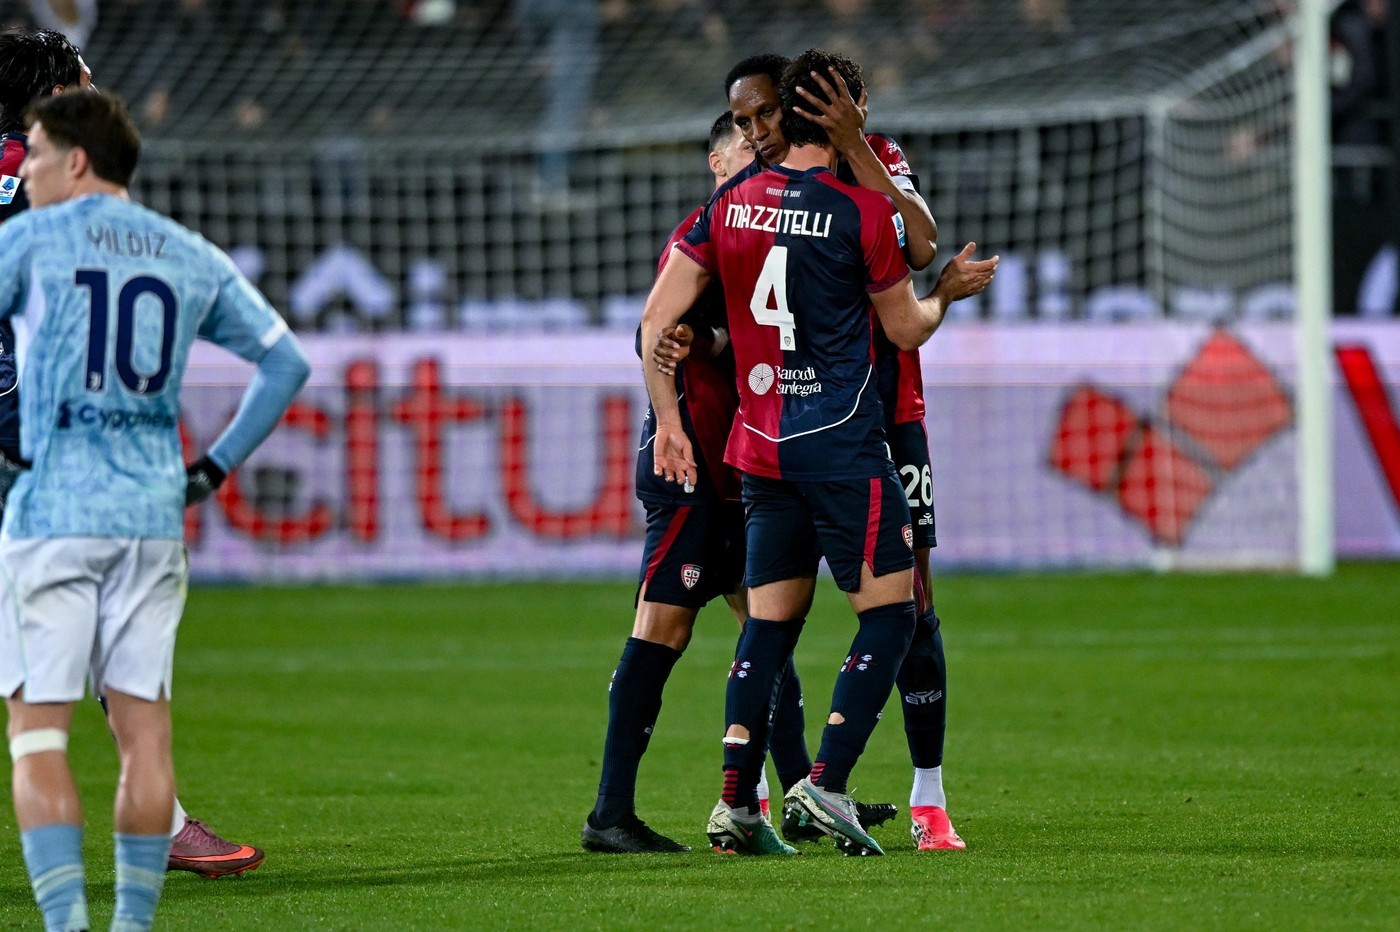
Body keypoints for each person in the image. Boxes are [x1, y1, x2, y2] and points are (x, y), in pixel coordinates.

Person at [640, 48, 996, 857]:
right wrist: (942, 296)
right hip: (842, 434)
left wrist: (668, 411)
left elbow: (655, 323)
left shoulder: (730, 202)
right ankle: (827, 782)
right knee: (895, 612)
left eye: (762, 116)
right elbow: (910, 294)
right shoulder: (859, 210)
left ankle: (740, 800)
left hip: (759, 442)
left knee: (768, 623)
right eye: (742, 122)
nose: (753, 130)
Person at [0, 89, 308, 930]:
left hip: (52, 512)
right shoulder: (186, 252)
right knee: (145, 740)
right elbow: (287, 365)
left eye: (30, 154)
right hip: (149, 520)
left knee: (37, 738)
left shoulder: (26, 241)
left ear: (76, 160)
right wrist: (209, 468)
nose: (20, 171)